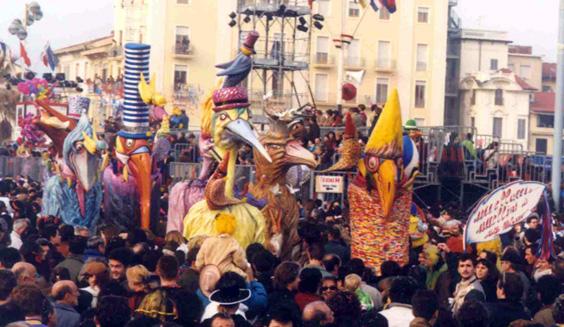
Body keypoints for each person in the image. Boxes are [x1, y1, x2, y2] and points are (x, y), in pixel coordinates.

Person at [195, 213, 250, 278]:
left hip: (209, 274)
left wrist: (202, 270)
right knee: (245, 277)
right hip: (227, 273)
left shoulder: (208, 241)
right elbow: (239, 260)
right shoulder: (233, 243)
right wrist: (245, 267)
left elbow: (199, 262)